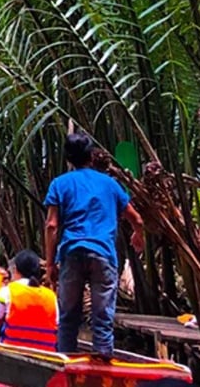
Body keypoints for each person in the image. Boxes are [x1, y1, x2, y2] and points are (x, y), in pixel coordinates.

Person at [44, 132, 145, 360]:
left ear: (69, 159)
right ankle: (102, 371)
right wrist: (139, 236)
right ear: (91, 156)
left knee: (69, 317)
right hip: (103, 255)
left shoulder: (60, 184)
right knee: (102, 319)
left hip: (72, 253)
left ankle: (65, 366)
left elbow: (51, 225)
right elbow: (136, 219)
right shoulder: (110, 184)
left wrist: (50, 264)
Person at [0, 249, 58, 349]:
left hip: (11, 354)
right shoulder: (51, 297)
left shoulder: (7, 292)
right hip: (46, 356)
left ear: (15, 270)